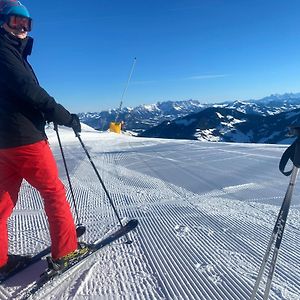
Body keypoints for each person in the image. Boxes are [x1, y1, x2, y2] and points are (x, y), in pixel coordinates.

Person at [0, 0, 87, 276]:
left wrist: (40, 111)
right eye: (16, 21)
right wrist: (61, 114)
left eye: (27, 23)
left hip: (5, 141)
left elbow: (15, 94)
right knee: (53, 192)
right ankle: (66, 250)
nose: (23, 28)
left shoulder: (12, 52)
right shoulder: (4, 51)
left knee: (2, 200)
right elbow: (28, 89)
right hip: (25, 139)